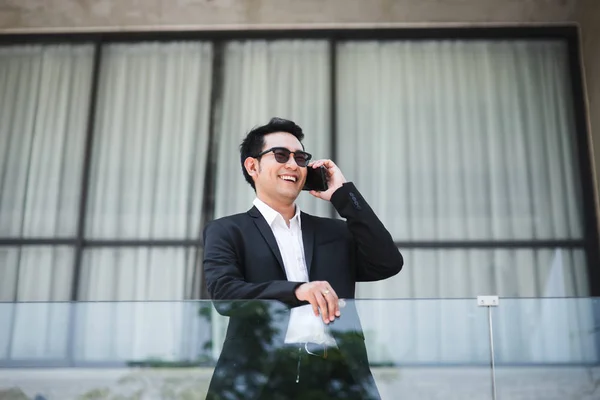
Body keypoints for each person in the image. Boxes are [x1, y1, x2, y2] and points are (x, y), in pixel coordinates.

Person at [203, 117, 403, 399]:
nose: (293, 165)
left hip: (337, 377)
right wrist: (298, 290)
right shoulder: (227, 230)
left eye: (300, 158)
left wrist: (343, 195)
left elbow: (388, 262)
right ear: (252, 166)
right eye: (281, 155)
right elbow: (225, 294)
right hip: (259, 380)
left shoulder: (333, 232)